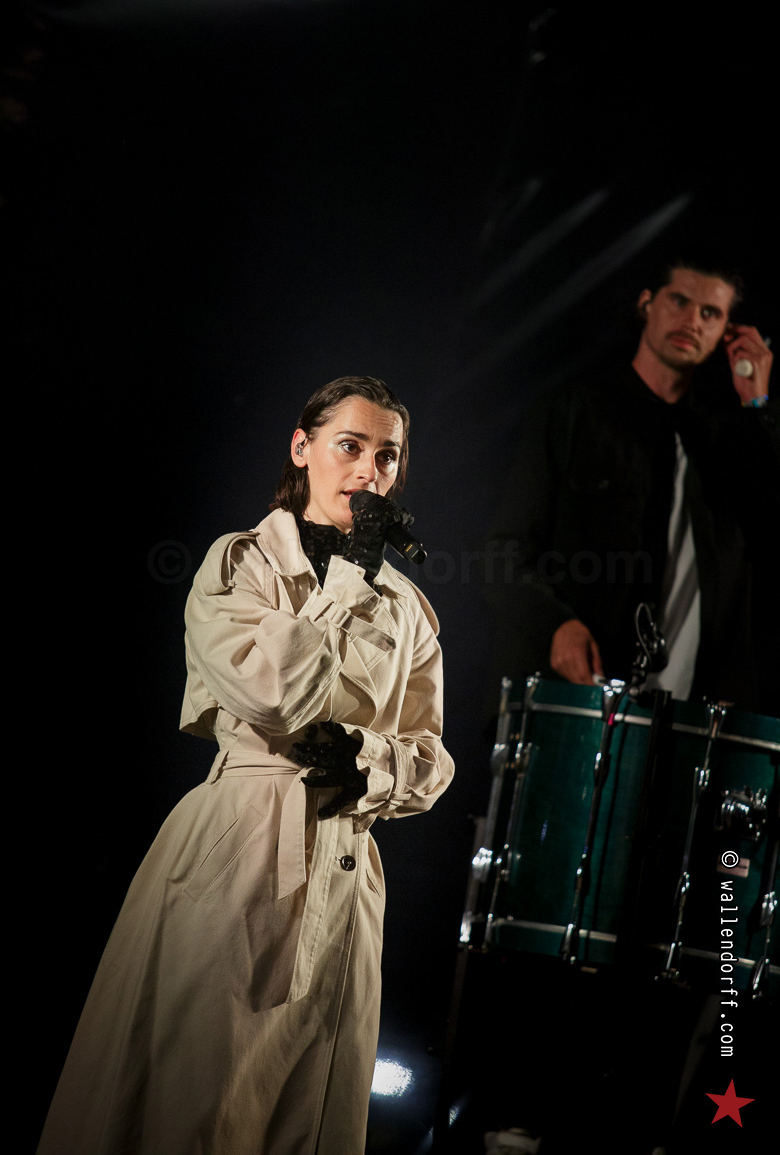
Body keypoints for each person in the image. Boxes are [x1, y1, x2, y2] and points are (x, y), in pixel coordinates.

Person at [37, 376, 454, 1155]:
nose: (368, 471)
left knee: (308, 1116)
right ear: (302, 448)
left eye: (387, 456)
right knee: (200, 1102)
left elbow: (432, 758)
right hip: (241, 848)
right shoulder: (241, 563)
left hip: (345, 876)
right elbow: (275, 694)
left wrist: (367, 761)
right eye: (350, 445)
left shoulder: (407, 609)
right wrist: (348, 578)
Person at [486, 258, 778, 709]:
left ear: (727, 332)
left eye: (710, 313)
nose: (692, 322)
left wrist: (757, 403)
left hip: (687, 717)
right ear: (647, 303)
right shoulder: (573, 411)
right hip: (570, 703)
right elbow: (503, 553)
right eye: (680, 301)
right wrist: (555, 625)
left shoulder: (724, 446)